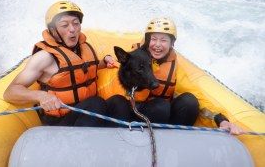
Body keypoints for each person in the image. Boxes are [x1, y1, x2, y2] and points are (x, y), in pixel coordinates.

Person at [101, 17, 244, 134]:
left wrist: (220, 119)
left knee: (188, 101)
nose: (157, 45)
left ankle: (173, 140)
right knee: (118, 102)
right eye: (154, 39)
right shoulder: (131, 60)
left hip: (158, 117)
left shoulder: (174, 69)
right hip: (129, 113)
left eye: (163, 40)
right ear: (147, 41)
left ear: (172, 44)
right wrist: (105, 59)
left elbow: (198, 96)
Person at [4, 0, 115, 127]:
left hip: (87, 112)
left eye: (76, 23)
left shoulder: (82, 48)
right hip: (61, 123)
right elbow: (10, 92)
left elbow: (83, 69)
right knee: (96, 103)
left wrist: (104, 61)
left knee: (119, 102)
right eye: (64, 25)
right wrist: (41, 96)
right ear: (53, 30)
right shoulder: (44, 57)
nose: (72, 29)